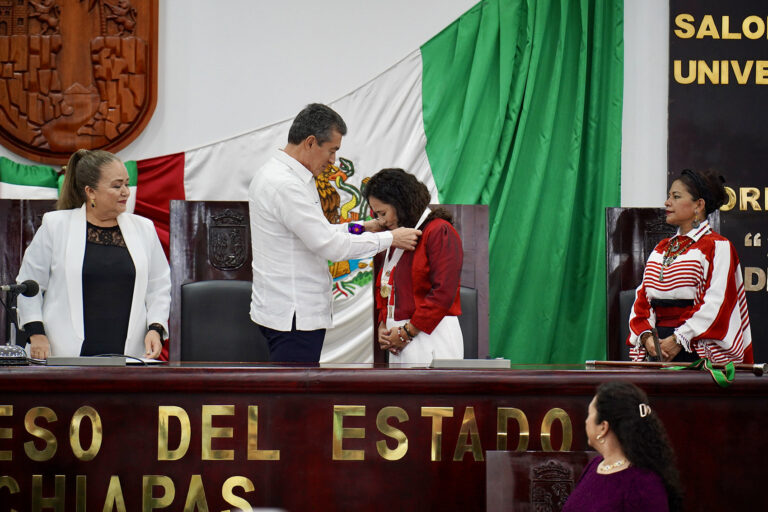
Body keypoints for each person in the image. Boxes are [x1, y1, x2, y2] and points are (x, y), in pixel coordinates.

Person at [248, 104, 421, 363]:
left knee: (293, 397)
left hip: (288, 312)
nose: (332, 160)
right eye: (332, 150)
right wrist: (391, 238)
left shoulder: (282, 176)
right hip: (294, 317)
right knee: (294, 401)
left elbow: (317, 231)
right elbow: (329, 245)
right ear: (310, 142)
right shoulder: (285, 185)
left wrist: (362, 227)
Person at [16, 149, 170, 359]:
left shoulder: (144, 228)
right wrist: (36, 333)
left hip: (129, 356)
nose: (126, 191)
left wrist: (156, 328)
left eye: (126, 183)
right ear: (90, 192)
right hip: (62, 355)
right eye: (117, 186)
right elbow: (29, 284)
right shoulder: (56, 226)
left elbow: (159, 286)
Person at [627, 169, 752, 363]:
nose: (667, 202)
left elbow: (716, 303)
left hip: (695, 352)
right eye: (668, 196)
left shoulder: (718, 246)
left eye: (676, 196)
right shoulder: (662, 248)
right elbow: (643, 297)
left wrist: (679, 339)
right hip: (658, 349)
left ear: (698, 205)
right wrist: (646, 336)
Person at [362, 168, 464, 364]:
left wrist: (406, 333)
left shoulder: (439, 230)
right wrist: (383, 323)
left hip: (431, 334)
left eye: (383, 213)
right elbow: (385, 287)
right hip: (399, 338)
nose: (381, 221)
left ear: (400, 205)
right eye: (376, 215)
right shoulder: (396, 236)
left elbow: (443, 293)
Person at [563, 382, 683, 512]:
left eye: (589, 414)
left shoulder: (643, 484)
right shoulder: (595, 465)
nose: (586, 421)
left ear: (603, 427)